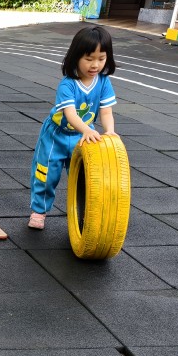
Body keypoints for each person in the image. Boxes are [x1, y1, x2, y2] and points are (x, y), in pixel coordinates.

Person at [28, 25, 117, 230]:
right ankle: (39, 210)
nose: (95, 65)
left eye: (101, 58)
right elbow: (70, 114)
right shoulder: (68, 84)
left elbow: (106, 112)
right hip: (56, 136)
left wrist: (109, 131)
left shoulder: (103, 82)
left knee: (85, 178)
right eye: (89, 58)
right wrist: (86, 129)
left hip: (83, 136)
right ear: (76, 57)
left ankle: (84, 214)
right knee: (46, 173)